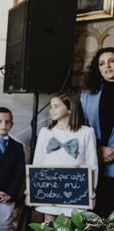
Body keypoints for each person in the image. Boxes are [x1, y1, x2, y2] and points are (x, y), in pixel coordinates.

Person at [33, 93, 98, 221]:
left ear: (69, 109)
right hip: (50, 189)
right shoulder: (45, 132)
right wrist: (33, 186)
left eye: (56, 106)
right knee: (48, 228)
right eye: (51, 107)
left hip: (75, 190)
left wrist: (92, 189)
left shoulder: (86, 132)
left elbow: (92, 164)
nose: (52, 110)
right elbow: (38, 162)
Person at [81, 47, 114, 217]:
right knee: (97, 218)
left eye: (112, 61)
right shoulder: (88, 94)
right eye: (102, 63)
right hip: (96, 162)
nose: (107, 66)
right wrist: (99, 148)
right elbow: (82, 127)